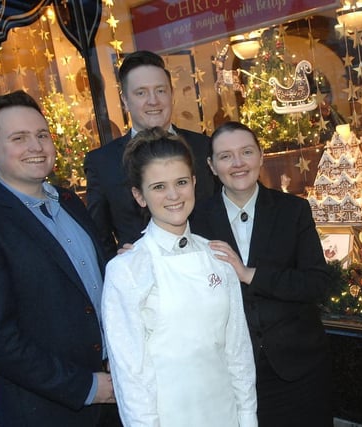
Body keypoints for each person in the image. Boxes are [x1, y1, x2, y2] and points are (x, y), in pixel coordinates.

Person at [0, 90, 120, 426]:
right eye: (19, 138)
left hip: (113, 396)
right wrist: (86, 386)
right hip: (48, 409)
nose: (36, 147)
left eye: (41, 135)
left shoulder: (69, 201)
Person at [102, 127, 257, 426]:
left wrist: (248, 418)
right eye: (158, 187)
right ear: (139, 196)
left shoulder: (219, 257)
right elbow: (131, 374)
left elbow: (238, 352)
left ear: (195, 183)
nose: (173, 195)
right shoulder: (127, 270)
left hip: (225, 413)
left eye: (181, 182)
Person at [190, 121, 333, 427]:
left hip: (298, 369)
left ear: (261, 156)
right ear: (212, 166)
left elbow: (316, 283)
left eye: (246, 152)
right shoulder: (195, 220)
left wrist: (249, 274)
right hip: (231, 374)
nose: (238, 163)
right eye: (226, 156)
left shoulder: (293, 210)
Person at [84, 50, 217, 260]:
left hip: (209, 271)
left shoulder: (206, 147)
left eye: (160, 90)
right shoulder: (102, 162)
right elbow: (99, 235)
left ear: (172, 94)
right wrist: (121, 263)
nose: (153, 101)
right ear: (125, 101)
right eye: (141, 93)